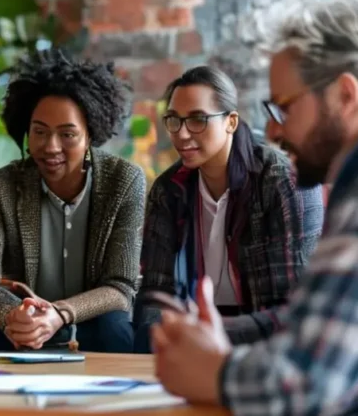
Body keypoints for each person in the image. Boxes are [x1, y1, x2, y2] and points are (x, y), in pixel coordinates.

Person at [151, 0, 358, 414]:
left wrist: (215, 369)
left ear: (344, 94)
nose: (270, 127)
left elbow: (306, 379)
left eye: (284, 106)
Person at [0, 49, 145, 353]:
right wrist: (13, 317)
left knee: (115, 328)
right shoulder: (1, 185)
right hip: (18, 320)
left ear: (90, 135)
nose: (51, 147)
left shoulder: (124, 181)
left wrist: (60, 313)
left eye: (67, 135)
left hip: (87, 321)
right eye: (39, 132)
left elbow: (120, 287)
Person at [135, 66, 324, 350]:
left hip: (261, 339)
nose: (182, 134)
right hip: (192, 333)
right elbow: (153, 292)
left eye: (198, 119)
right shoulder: (169, 189)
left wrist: (207, 333)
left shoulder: (280, 181)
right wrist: (161, 334)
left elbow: (289, 309)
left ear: (231, 122)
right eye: (174, 120)